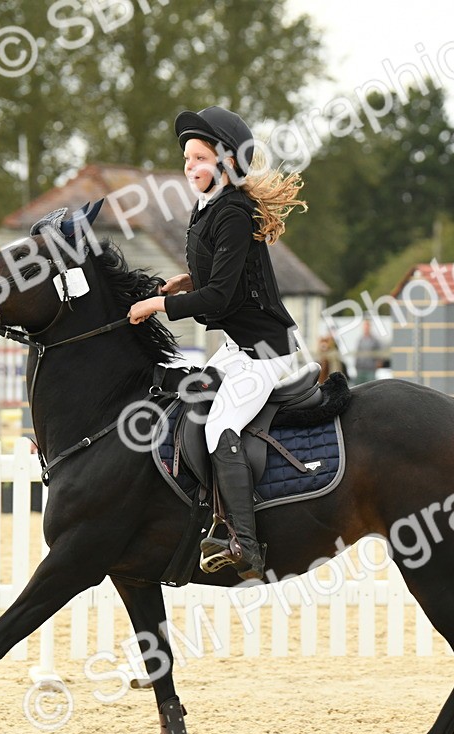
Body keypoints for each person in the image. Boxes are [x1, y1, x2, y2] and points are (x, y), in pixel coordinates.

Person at [127, 106, 306, 581]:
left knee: (219, 425)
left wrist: (157, 307)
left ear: (226, 164)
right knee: (191, 400)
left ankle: (243, 543)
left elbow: (222, 296)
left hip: (268, 350)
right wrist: (186, 282)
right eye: (187, 158)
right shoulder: (208, 206)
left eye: (200, 158)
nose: (190, 167)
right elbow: (221, 278)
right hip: (238, 346)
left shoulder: (232, 211)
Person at [353, 319, 386, 384]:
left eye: (367, 326)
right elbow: (357, 354)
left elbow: (380, 353)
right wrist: (356, 365)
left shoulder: (375, 340)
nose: (366, 328)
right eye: (364, 326)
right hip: (360, 369)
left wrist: (379, 362)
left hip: (370, 369)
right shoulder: (360, 340)